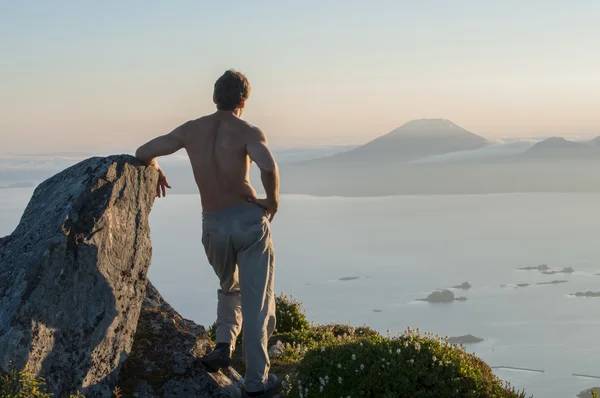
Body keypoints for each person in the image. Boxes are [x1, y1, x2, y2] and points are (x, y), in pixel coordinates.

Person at [135, 69, 280, 397]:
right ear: (243, 101)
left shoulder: (191, 130)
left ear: (215, 98)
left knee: (230, 287)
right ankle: (257, 384)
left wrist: (156, 168)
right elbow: (268, 166)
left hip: (213, 225)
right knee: (258, 303)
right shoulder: (248, 131)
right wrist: (272, 200)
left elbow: (143, 151)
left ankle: (223, 346)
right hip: (247, 222)